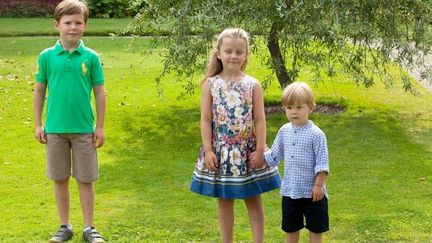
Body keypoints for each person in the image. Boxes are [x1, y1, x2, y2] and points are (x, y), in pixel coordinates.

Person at [190, 28, 281, 243]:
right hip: (221, 151)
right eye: (228, 51)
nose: (233, 56)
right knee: (224, 199)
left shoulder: (253, 85)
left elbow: (259, 119)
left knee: (253, 198)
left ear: (246, 55)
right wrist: (209, 150)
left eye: (239, 52)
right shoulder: (211, 85)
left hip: (248, 151)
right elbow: (205, 120)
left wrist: (260, 150)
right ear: (219, 53)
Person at [33, 0, 106, 242]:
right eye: (67, 22)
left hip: (84, 130)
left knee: (85, 179)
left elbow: (100, 93)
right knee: (60, 179)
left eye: (78, 22)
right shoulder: (46, 57)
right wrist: (37, 123)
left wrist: (100, 127)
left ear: (85, 26)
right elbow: (39, 91)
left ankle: (89, 228)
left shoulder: (91, 57)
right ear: (57, 25)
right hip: (54, 130)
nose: (73, 27)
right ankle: (64, 226)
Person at [251, 82, 329, 243]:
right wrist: (261, 151)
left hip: (313, 193)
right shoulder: (284, 131)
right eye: (289, 107)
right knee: (291, 228)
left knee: (316, 229)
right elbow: (274, 156)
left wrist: (318, 186)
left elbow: (322, 164)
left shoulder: (316, 134)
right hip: (290, 191)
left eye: (299, 107)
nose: (294, 112)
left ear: (311, 108)